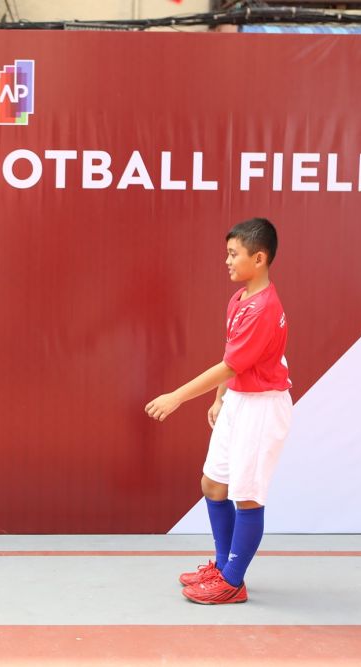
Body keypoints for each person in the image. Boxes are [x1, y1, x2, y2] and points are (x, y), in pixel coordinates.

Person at [146, 217, 292, 605]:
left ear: (259, 258)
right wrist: (219, 398)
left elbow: (230, 365)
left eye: (233, 254)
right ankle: (223, 565)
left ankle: (232, 582)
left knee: (247, 496)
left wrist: (177, 396)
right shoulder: (240, 299)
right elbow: (234, 358)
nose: (227, 261)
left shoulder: (263, 308)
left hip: (262, 406)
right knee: (213, 484)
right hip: (239, 400)